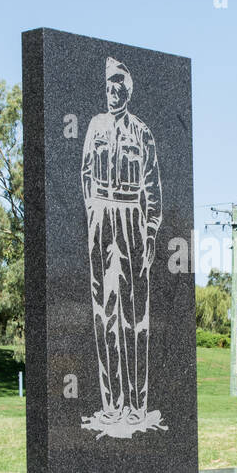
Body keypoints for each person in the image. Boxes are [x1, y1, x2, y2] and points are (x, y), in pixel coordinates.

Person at [80, 56, 164, 438]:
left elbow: (153, 189)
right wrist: (94, 217)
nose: (112, 91)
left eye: (118, 85)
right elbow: (85, 175)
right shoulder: (95, 126)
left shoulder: (142, 132)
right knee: (104, 312)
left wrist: (149, 232)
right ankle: (111, 403)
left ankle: (136, 403)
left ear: (128, 89)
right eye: (107, 85)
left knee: (134, 314)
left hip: (131, 216)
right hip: (102, 215)